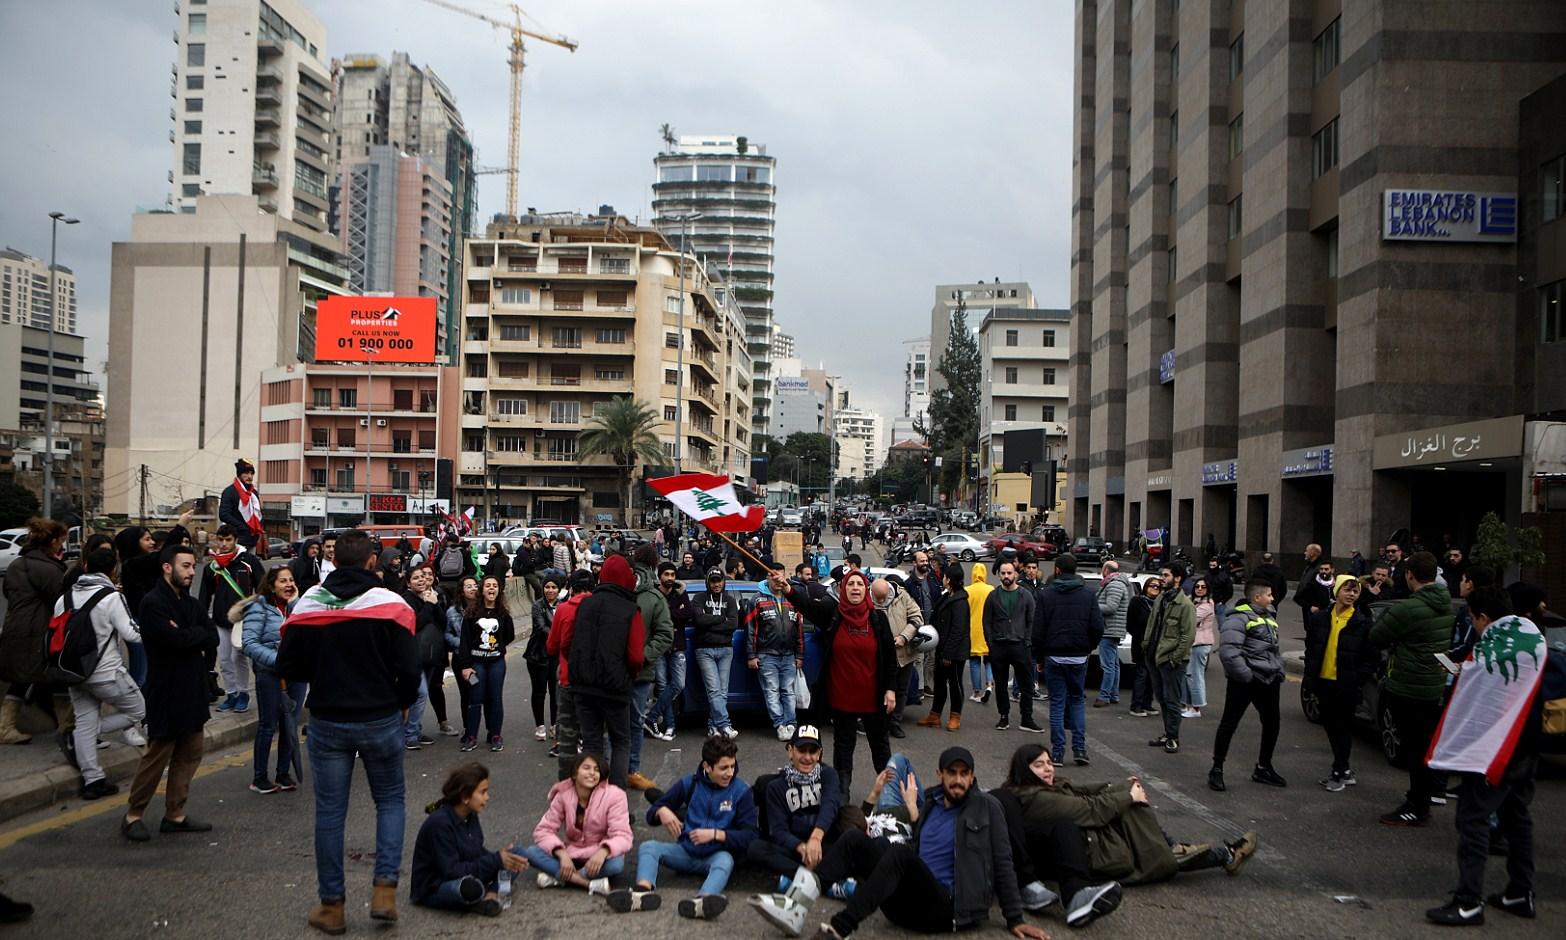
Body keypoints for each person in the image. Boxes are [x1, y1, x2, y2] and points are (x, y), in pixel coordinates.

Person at [277, 529, 422, 933]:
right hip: (381, 716)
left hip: (327, 719)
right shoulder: (391, 605)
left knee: (330, 813)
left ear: (333, 560)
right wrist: (402, 701)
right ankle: (384, 892)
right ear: (371, 562)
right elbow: (411, 670)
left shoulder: (309, 603)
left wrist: (322, 672)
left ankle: (333, 905)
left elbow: (287, 665)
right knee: (390, 801)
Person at [786, 746, 1047, 940]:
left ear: (972, 776)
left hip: (947, 909)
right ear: (940, 774)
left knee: (899, 853)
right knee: (856, 839)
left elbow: (1003, 861)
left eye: (964, 774)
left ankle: (838, 929)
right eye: (951, 773)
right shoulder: (931, 802)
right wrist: (887, 802)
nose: (958, 780)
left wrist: (1015, 919)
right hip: (906, 906)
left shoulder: (987, 807)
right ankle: (793, 906)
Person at [1423, 587, 1543, 926]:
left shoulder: (1490, 652)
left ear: (1483, 617)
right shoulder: (1532, 637)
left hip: (1495, 750)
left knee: (1472, 820)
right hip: (1528, 745)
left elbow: (1476, 705)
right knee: (1517, 817)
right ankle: (1521, 891)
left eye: (1474, 620)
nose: (1474, 627)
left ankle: (1468, 901)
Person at [1000, 745, 1257, 894]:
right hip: (1090, 852)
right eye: (1039, 765)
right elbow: (1089, 809)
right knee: (1153, 848)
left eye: (1048, 762)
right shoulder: (1037, 799)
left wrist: (1120, 787)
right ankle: (1225, 854)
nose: (1048, 768)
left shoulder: (1044, 786)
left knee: (1132, 805)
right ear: (1025, 770)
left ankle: (1197, 850)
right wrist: (1128, 797)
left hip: (1089, 839)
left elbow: (1081, 789)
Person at [122, 543, 220, 843]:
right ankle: (133, 815)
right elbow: (173, 640)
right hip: (165, 690)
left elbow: (212, 635)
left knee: (190, 754)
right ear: (167, 567)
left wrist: (189, 634)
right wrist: (193, 635)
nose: (192, 572)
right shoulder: (153, 603)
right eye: (185, 566)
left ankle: (175, 814)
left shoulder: (189, 604)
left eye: (193, 566)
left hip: (193, 689)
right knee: (157, 756)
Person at [609, 735, 757, 920]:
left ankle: (703, 901)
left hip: (714, 857)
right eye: (723, 768)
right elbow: (651, 815)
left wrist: (716, 834)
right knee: (648, 847)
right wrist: (661, 810)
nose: (730, 773)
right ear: (707, 767)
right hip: (685, 852)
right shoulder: (690, 783)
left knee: (725, 860)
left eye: (732, 766)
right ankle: (642, 893)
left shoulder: (740, 791)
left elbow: (750, 836)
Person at [1370, 550, 1454, 827]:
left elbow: (1377, 635)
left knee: (1414, 750)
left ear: (1409, 575)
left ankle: (1417, 805)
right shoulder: (1446, 605)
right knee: (1424, 745)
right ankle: (1423, 797)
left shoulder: (1408, 607)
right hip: (1433, 684)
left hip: (1407, 685)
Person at [59, 546, 147, 800]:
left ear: (85, 567)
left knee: (84, 722)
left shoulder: (64, 598)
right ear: (113, 570)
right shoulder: (110, 596)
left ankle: (93, 780)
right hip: (107, 673)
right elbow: (131, 633)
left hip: (73, 672)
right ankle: (84, 734)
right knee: (141, 711)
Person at [567, 554, 646, 789]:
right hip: (614, 686)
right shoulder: (630, 609)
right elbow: (636, 656)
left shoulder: (585, 604)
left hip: (583, 685)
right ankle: (615, 804)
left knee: (592, 744)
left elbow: (570, 642)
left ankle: (590, 801)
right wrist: (631, 675)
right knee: (621, 741)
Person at [410, 762, 527, 917]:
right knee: (469, 888)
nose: (487, 797)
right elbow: (451, 871)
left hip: (466, 872)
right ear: (465, 796)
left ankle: (491, 894)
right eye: (483, 792)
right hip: (437, 886)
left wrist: (501, 857)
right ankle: (482, 896)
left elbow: (475, 852)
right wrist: (496, 860)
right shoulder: (440, 824)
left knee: (516, 854)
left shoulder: (470, 815)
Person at [821, 571, 898, 800]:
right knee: (843, 749)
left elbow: (890, 658)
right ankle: (841, 798)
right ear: (843, 590)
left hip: (873, 698)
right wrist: (787, 589)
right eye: (850, 584)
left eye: (860, 584)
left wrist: (891, 689)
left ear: (867, 590)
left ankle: (891, 795)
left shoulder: (878, 619)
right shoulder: (835, 616)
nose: (855, 588)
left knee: (880, 747)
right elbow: (806, 606)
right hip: (842, 697)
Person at [1207, 579, 1287, 791]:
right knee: (1229, 723)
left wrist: (1278, 670)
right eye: (1269, 595)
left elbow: (1273, 649)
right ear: (1256, 597)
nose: (1272, 599)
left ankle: (1263, 767)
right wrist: (1247, 676)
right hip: (1246, 681)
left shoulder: (1269, 617)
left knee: (1272, 724)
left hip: (1269, 680)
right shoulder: (1238, 618)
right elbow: (1228, 652)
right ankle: (1216, 769)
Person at [0, 519, 69, 752]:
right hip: (37, 631)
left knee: (23, 678)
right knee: (56, 678)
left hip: (14, 627)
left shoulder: (16, 565)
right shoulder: (49, 569)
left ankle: (7, 725)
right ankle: (68, 729)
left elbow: (8, 592)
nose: (62, 546)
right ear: (52, 542)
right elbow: (60, 602)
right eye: (61, 541)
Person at [524, 752, 631, 895]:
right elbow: (543, 830)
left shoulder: (615, 795)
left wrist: (603, 852)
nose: (592, 773)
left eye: (596, 769)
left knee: (616, 865)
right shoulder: (563, 794)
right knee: (531, 852)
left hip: (598, 855)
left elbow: (623, 835)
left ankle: (559, 878)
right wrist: (562, 854)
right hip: (571, 853)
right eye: (586, 768)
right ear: (574, 774)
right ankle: (587, 883)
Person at [1303, 575, 1373, 792]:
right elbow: (1312, 648)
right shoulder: (1321, 618)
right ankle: (1342, 767)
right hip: (1324, 680)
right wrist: (1310, 675)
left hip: (1346, 685)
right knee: (1329, 724)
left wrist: (1357, 678)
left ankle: (1339, 769)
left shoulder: (1362, 622)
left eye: (1355, 591)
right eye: (1347, 590)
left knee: (1342, 727)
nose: (1351, 594)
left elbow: (1371, 657)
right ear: (1337, 592)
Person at [746, 724, 844, 877]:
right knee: (756, 848)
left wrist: (816, 838)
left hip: (823, 843)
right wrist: (802, 847)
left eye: (812, 751)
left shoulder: (829, 775)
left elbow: (830, 806)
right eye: (801, 750)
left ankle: (800, 878)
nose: (807, 757)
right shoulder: (776, 786)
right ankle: (813, 878)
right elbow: (778, 831)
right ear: (790, 751)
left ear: (819, 754)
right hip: (794, 849)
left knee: (852, 842)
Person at [240, 565, 305, 794]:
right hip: (270, 673)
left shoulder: (297, 606)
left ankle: (283, 773)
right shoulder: (258, 607)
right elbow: (249, 643)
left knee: (290, 724)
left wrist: (296, 602)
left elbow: (306, 628)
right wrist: (278, 661)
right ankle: (260, 777)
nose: (288, 585)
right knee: (268, 725)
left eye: (291, 580)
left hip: (297, 673)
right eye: (282, 581)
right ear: (271, 585)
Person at [1034, 553, 1104, 765]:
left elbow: (1038, 630)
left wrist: (1038, 657)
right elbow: (1098, 627)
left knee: (1056, 703)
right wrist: (1088, 647)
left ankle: (1057, 752)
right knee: (1077, 701)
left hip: (1054, 655)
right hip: (1079, 656)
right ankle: (1080, 750)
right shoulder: (1088, 594)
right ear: (1076, 571)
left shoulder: (1046, 595)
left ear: (1057, 571)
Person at [200, 524, 263, 714]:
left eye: (228, 540)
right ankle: (231, 694)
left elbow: (262, 588)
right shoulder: (212, 566)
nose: (224, 544)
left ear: (235, 540)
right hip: (220, 620)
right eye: (221, 540)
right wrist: (203, 620)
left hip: (242, 620)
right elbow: (204, 596)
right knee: (225, 660)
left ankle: (243, 693)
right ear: (216, 541)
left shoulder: (249, 561)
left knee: (239, 658)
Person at [627, 545, 675, 791]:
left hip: (637, 671)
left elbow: (665, 634)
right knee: (628, 722)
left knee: (631, 722)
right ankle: (621, 770)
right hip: (625, 672)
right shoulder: (621, 591)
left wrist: (640, 656)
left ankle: (629, 769)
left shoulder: (653, 598)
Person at [454, 575, 515, 753]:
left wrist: (498, 647)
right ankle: (471, 736)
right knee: (475, 699)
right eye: (487, 585)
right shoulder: (472, 613)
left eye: (494, 586)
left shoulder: (503, 613)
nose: (491, 588)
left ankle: (495, 735)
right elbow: (464, 642)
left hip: (496, 662)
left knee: (495, 698)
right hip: (476, 663)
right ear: (482, 590)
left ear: (498, 590)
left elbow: (509, 636)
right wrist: (466, 666)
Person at [747, 564, 806, 742]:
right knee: (771, 691)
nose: (779, 581)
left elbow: (800, 629)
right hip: (767, 655)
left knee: (788, 691)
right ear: (768, 577)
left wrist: (800, 655)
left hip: (788, 655)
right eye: (775, 577)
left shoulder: (792, 599)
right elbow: (750, 630)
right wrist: (751, 655)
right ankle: (780, 725)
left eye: (782, 577)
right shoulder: (757, 600)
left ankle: (791, 724)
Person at [985, 561, 1042, 734]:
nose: (1006, 576)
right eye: (1003, 573)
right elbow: (986, 622)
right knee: (1001, 685)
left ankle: (1027, 718)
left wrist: (1027, 641)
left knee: (1026, 685)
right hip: (999, 647)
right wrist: (991, 644)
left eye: (1009, 573)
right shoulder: (993, 596)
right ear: (999, 575)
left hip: (1020, 646)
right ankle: (1004, 716)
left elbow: (1032, 620)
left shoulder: (1025, 595)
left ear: (1016, 574)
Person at [1144, 562, 1195, 753]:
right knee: (1162, 699)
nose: (1162, 578)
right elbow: (1152, 624)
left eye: (1166, 575)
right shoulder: (1162, 599)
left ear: (1177, 578)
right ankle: (1167, 733)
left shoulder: (1185, 605)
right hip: (1154, 656)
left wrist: (1175, 658)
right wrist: (1146, 647)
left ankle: (1174, 737)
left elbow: (1187, 636)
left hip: (1170, 660)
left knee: (1172, 700)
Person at [401, 563, 451, 747]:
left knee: (421, 694)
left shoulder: (432, 596)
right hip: (414, 655)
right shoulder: (406, 600)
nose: (421, 580)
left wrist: (435, 603)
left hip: (432, 654)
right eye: (416, 578)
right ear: (408, 583)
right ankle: (410, 734)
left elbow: (443, 622)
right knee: (420, 693)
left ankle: (415, 729)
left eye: (423, 576)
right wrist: (429, 605)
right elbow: (415, 624)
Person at [917, 564, 970, 731]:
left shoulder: (960, 601)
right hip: (941, 648)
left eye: (945, 577)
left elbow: (958, 630)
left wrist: (948, 654)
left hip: (954, 652)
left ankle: (955, 716)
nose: (943, 579)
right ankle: (935, 715)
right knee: (939, 683)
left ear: (951, 579)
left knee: (955, 684)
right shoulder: (946, 596)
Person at [691, 568, 742, 739]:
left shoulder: (729, 600)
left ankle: (713, 726)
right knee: (714, 690)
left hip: (726, 649)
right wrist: (722, 619)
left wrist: (710, 622)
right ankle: (725, 725)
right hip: (704, 650)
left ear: (723, 581)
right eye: (713, 581)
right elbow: (699, 620)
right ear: (708, 582)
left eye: (719, 580)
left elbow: (733, 624)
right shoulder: (699, 598)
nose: (716, 584)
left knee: (722, 691)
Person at [873, 577, 924, 739]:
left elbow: (917, 618)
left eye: (882, 598)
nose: (879, 601)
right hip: (880, 656)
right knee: (880, 690)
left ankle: (895, 723)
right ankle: (881, 722)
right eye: (877, 599)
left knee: (901, 689)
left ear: (889, 590)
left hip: (903, 653)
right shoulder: (867, 599)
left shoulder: (903, 596)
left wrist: (904, 636)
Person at [648, 562, 692, 741]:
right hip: (659, 647)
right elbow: (653, 617)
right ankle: (670, 726)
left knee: (678, 684)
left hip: (678, 645)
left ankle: (652, 717)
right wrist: (675, 614)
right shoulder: (654, 595)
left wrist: (668, 614)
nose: (670, 578)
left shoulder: (680, 594)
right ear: (660, 576)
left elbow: (687, 614)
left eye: (673, 575)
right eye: (666, 574)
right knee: (663, 686)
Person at [525, 576, 562, 742]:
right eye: (547, 587)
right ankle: (540, 725)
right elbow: (541, 627)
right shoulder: (537, 605)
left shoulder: (563, 606)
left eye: (554, 587)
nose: (550, 590)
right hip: (538, 655)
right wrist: (560, 634)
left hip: (556, 656)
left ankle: (555, 725)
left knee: (556, 692)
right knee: (539, 692)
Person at [1093, 560, 1131, 708]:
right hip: (1113, 629)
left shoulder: (1114, 584)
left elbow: (1110, 607)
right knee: (1114, 664)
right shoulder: (1117, 583)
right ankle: (1113, 694)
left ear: (1107, 571)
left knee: (1108, 666)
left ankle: (1104, 696)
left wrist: (1092, 605)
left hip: (1109, 629)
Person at [1184, 576, 1219, 719]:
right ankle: (1188, 705)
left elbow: (1190, 618)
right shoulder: (1193, 600)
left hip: (1200, 643)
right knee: (1188, 674)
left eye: (1203, 587)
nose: (1199, 589)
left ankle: (1196, 707)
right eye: (1197, 587)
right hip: (1193, 642)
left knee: (1195, 675)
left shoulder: (1206, 605)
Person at [1126, 578, 1161, 717]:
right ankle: (1136, 705)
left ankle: (1147, 704)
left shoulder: (1160, 604)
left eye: (1158, 587)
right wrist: (1141, 638)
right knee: (1142, 674)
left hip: (1156, 645)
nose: (1154, 588)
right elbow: (1130, 624)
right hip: (1141, 644)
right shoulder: (1137, 602)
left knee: (1152, 676)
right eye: (1152, 585)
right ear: (1146, 587)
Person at [218, 457, 265, 552]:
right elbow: (224, 514)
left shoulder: (253, 493)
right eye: (246, 473)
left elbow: (259, 514)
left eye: (252, 473)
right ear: (239, 475)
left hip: (252, 539)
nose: (250, 476)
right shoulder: (230, 492)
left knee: (250, 566)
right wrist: (242, 527)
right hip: (237, 539)